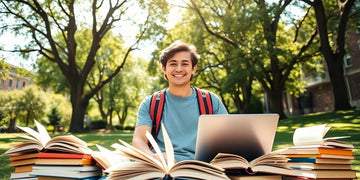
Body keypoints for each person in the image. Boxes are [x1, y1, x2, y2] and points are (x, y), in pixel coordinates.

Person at [132, 41, 228, 162]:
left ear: (193, 69)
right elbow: (139, 140)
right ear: (164, 69)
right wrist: (154, 158)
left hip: (200, 169)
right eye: (173, 64)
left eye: (184, 64)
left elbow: (227, 139)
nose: (178, 69)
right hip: (160, 169)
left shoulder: (211, 101)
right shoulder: (150, 103)